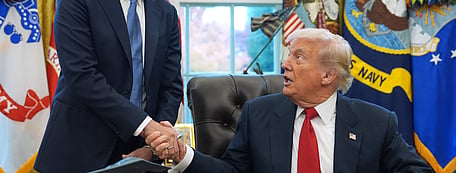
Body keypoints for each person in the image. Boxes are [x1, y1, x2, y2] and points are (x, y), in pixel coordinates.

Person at [148, 28, 432, 173]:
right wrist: (182, 153)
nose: (285, 64)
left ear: (328, 75)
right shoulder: (258, 114)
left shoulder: (376, 122)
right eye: (288, 55)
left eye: (299, 57)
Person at [34, 0, 187, 173]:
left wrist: (153, 144)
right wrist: (145, 125)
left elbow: (171, 86)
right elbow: (83, 77)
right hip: (76, 154)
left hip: (140, 156)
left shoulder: (166, 12)